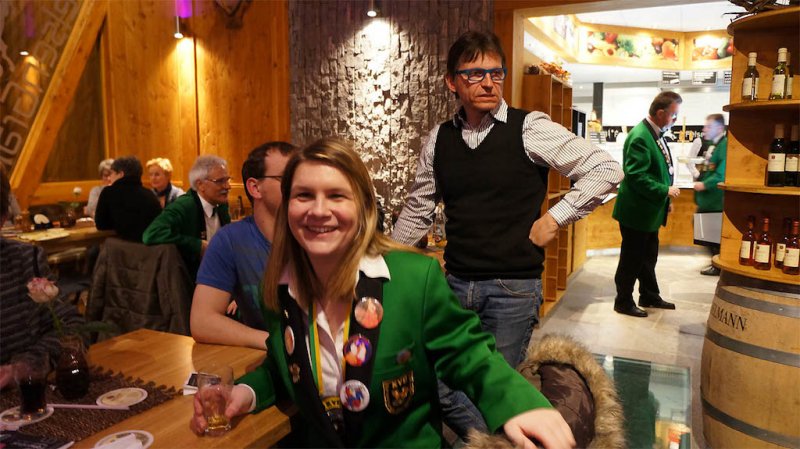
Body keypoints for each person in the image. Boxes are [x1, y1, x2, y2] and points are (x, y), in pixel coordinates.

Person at [189, 138, 575, 449]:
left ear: (363, 207)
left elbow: (470, 356)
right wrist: (245, 393)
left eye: (336, 196)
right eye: (303, 195)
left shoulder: (413, 278)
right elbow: (287, 369)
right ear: (287, 206)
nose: (318, 210)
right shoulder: (279, 288)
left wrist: (518, 404)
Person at [391, 30, 623, 436]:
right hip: (455, 284)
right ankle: (500, 441)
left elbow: (606, 169)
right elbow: (418, 207)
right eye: (475, 73)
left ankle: (500, 441)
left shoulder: (528, 128)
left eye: (495, 73)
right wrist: (384, 260)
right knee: (443, 385)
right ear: (452, 82)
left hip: (512, 289)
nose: (488, 83)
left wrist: (556, 217)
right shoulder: (440, 138)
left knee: (496, 390)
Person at [191, 142, 295, 349]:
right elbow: (202, 321)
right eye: (288, 178)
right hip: (268, 357)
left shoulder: (317, 235)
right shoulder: (230, 240)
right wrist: (280, 345)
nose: (300, 186)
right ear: (255, 188)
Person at [0, 166, 83, 388]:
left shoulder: (26, 260)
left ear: (3, 219)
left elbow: (71, 327)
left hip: (28, 396)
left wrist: (22, 368)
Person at [612, 91, 683, 318]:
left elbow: (659, 169)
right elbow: (636, 175)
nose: (675, 119)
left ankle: (649, 295)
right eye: (673, 115)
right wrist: (664, 190)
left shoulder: (655, 134)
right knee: (631, 260)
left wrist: (664, 200)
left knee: (648, 257)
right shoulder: (641, 136)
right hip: (637, 213)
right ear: (660, 113)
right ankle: (623, 301)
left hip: (649, 211)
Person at [142, 155, 231, 279]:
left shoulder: (221, 204)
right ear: (200, 185)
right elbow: (151, 234)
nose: (227, 186)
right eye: (220, 181)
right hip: (192, 279)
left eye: (227, 180)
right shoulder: (185, 205)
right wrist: (197, 245)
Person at [95, 156, 162, 242]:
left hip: (124, 247)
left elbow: (101, 225)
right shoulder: (150, 194)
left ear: (121, 174)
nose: (110, 177)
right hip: (151, 247)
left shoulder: (108, 193)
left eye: (112, 173)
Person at [692, 114, 727, 276]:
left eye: (708, 126)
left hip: (714, 199)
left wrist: (704, 184)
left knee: (711, 234)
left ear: (719, 128)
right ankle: (715, 262)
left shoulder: (724, 145)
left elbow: (721, 174)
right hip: (707, 199)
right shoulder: (714, 145)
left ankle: (718, 264)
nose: (704, 129)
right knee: (703, 229)